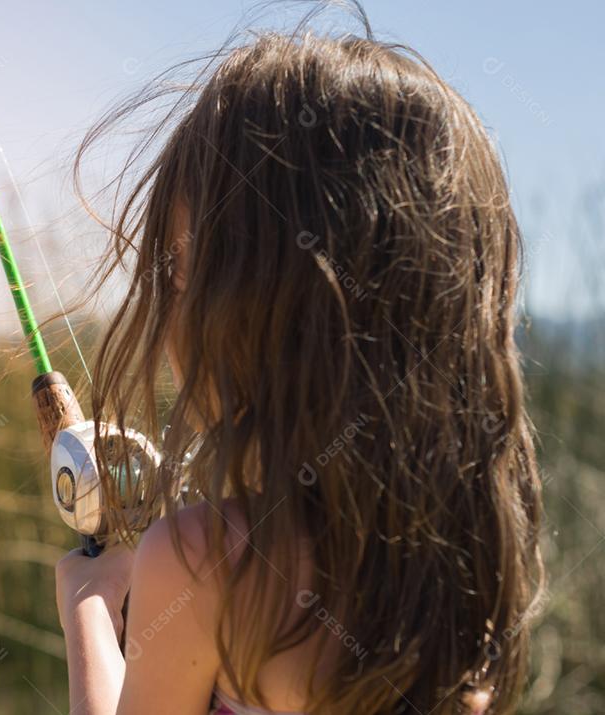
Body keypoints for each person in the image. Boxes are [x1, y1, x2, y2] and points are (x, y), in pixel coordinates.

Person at [54, 10, 544, 715]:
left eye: (186, 277)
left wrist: (90, 613)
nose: (168, 310)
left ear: (265, 310)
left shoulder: (202, 565)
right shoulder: (469, 570)